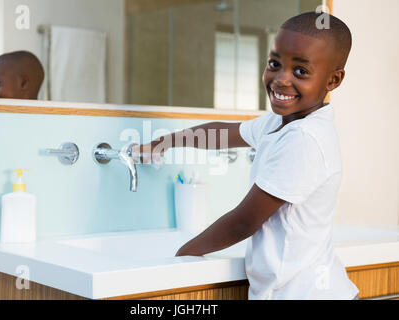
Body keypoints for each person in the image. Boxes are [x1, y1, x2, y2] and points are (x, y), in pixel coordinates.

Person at [132, 11, 359, 300]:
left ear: (333, 80)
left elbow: (243, 222)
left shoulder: (304, 139)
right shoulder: (283, 122)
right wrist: (164, 142)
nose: (280, 80)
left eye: (300, 71)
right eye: (275, 64)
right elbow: (223, 133)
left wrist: (184, 253)